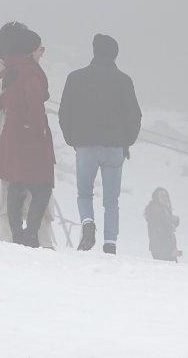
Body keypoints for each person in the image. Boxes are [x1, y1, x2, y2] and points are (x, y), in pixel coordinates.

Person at [59, 34, 142, 255]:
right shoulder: (124, 81)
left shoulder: (76, 78)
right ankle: (110, 243)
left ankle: (87, 223)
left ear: (94, 51)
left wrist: (72, 139)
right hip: (115, 148)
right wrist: (126, 142)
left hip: (86, 146)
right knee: (111, 200)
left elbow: (64, 112)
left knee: (84, 193)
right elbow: (135, 115)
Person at [0, 21, 54, 245]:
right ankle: (11, 237)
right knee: (8, 187)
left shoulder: (26, 64)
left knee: (27, 185)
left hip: (19, 127)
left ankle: (37, 237)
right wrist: (4, 84)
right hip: (3, 125)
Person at [144, 187, 180, 261]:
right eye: (162, 196)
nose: (165, 198)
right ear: (156, 197)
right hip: (161, 249)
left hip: (167, 249)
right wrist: (170, 251)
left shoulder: (165, 210)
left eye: (166, 196)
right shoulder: (155, 210)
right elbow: (161, 233)